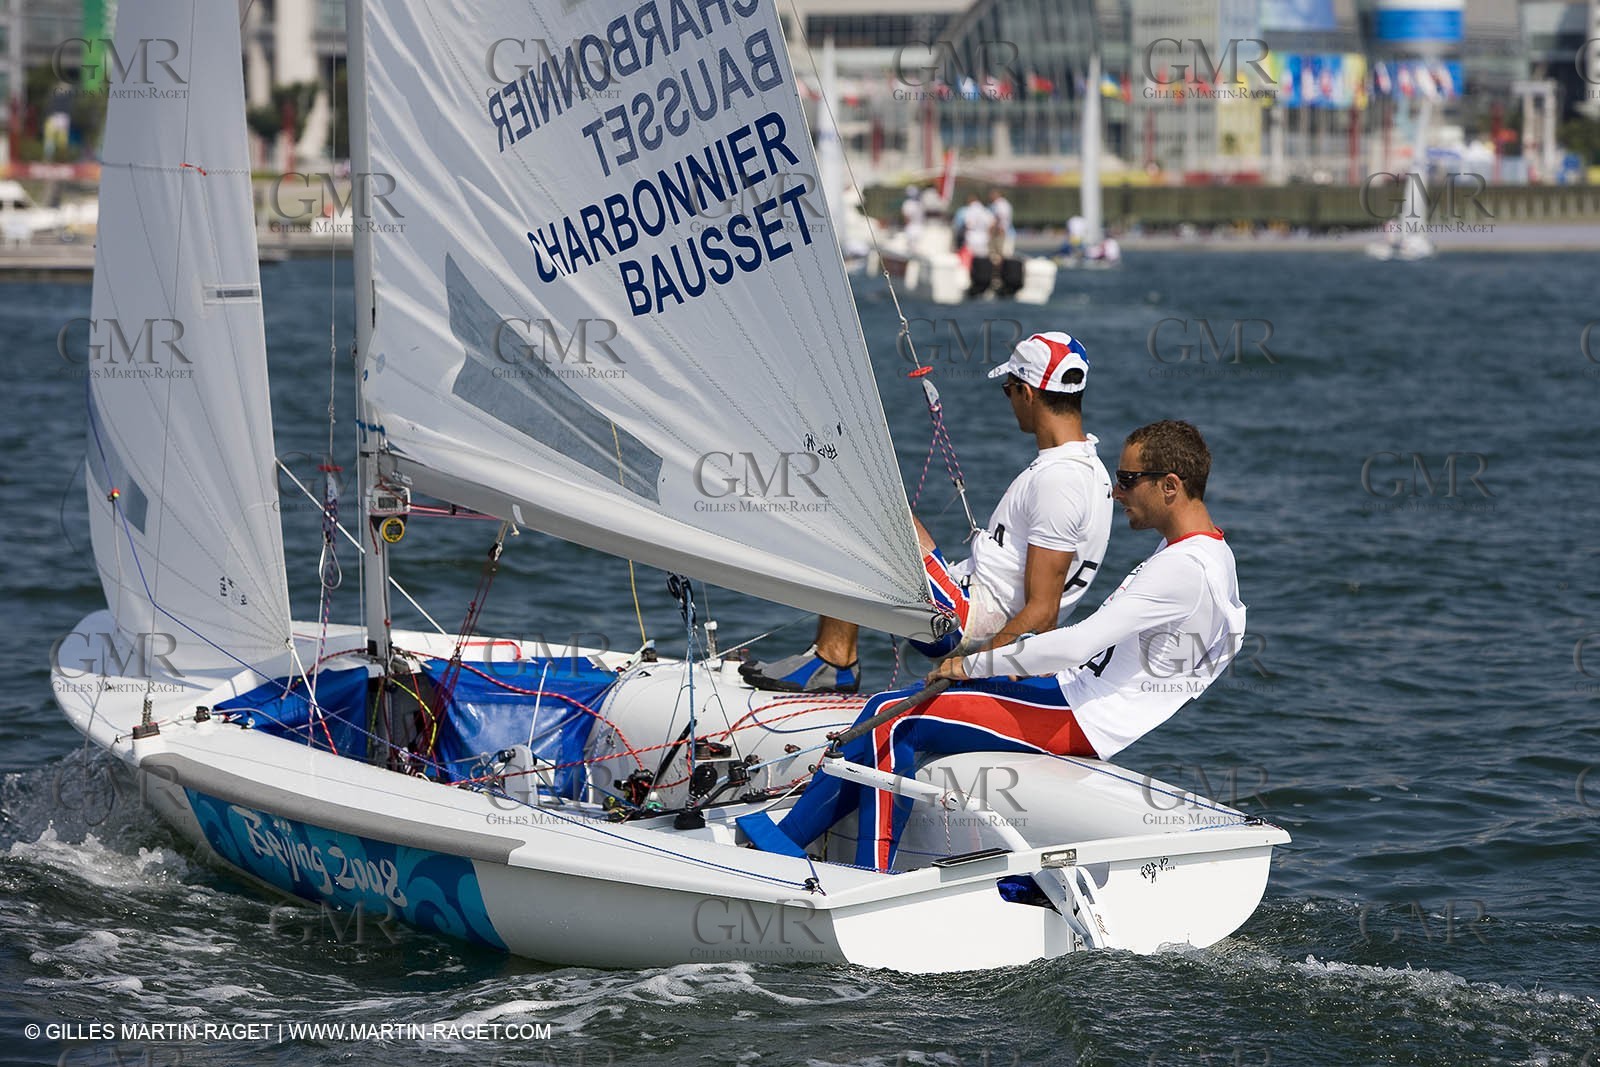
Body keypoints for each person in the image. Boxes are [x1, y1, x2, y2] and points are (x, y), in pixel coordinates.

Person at [750, 420, 1246, 871]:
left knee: (896, 718)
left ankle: (864, 874)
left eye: (1128, 479)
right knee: (890, 708)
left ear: (1170, 486)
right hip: (1071, 696)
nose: (1117, 492)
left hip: (1077, 715)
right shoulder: (1207, 552)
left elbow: (1076, 644)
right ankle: (790, 840)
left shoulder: (1184, 568)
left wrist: (974, 664)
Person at [741, 332, 1113, 693]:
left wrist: (975, 670)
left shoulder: (1059, 481)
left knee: (855, 501)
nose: (1009, 400)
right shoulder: (1090, 469)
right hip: (971, 608)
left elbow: (1043, 611)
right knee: (877, 497)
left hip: (962, 625)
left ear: (1027, 393)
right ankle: (836, 657)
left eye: (1008, 390)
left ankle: (835, 658)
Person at [988, 188, 1015, 257]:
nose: (990, 196)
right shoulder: (999, 204)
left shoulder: (1000, 204)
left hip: (1001, 233)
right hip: (1001, 232)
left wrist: (992, 230)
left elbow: (999, 218)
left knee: (1001, 254)